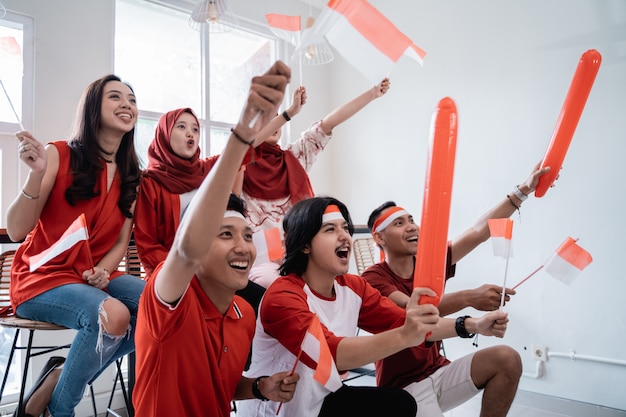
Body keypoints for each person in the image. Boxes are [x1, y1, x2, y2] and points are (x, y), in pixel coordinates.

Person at [236, 196, 510, 417]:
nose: (344, 236)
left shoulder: (352, 286)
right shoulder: (283, 296)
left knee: (399, 405)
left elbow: (406, 323)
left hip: (323, 396)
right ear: (304, 244)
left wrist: (472, 325)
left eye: (345, 228)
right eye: (331, 229)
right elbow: (331, 354)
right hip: (279, 409)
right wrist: (408, 333)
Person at [132, 60, 299, 416]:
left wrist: (258, 387)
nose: (243, 246)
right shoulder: (168, 303)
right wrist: (241, 130)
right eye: (224, 234)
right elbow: (181, 250)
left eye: (247, 235)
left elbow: (222, 383)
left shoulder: (241, 314)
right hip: (171, 281)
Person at [6, 74, 146, 417]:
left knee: (160, 308)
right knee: (112, 314)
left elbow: (120, 239)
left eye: (131, 99)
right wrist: (35, 174)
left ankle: (58, 377)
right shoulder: (57, 154)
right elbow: (15, 230)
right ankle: (61, 409)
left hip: (89, 276)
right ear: (93, 107)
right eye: (115, 97)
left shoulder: (132, 174)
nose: (127, 104)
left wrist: (104, 270)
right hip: (41, 278)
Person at [360, 164, 550, 416]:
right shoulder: (373, 277)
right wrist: (469, 298)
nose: (412, 226)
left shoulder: (429, 263)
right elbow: (413, 311)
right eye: (398, 223)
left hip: (440, 372)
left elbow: (477, 232)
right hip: (403, 390)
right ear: (379, 239)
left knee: (507, 358)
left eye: (411, 220)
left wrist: (522, 191)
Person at [242, 79, 390, 288]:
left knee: (344, 284)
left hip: (304, 254)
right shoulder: (240, 167)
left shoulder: (294, 157)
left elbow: (328, 123)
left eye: (276, 118)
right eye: (265, 119)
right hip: (263, 264)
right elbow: (239, 149)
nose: (274, 123)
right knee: (276, 283)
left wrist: (372, 93)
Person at [133, 107, 265, 316]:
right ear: (164, 134)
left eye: (195, 129)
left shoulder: (207, 170)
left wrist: (286, 115)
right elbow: (147, 245)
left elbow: (243, 150)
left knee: (263, 302)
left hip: (215, 271)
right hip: (173, 275)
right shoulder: (150, 183)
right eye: (182, 127)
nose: (190, 133)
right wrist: (184, 267)